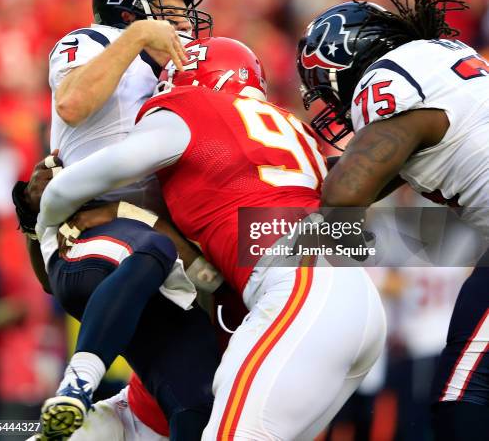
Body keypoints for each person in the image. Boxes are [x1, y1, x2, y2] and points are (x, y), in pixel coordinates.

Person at [35, 35, 386, 440]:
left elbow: (93, 175)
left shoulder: (189, 107)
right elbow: (225, 246)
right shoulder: (294, 132)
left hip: (297, 290)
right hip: (344, 299)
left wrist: (46, 218)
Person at [13, 0, 221, 441]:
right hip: (96, 237)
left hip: (160, 269)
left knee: (201, 402)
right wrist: (134, 38)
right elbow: (72, 102)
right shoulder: (92, 42)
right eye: (170, 5)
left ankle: (78, 432)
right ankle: (77, 385)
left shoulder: (179, 74)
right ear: (131, 6)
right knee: (149, 244)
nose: (183, 18)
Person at [297, 0, 489, 441]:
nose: (333, 106)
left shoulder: (388, 85)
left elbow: (344, 195)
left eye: (327, 87)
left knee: (462, 399)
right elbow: (363, 175)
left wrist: (294, 268)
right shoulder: (445, 62)